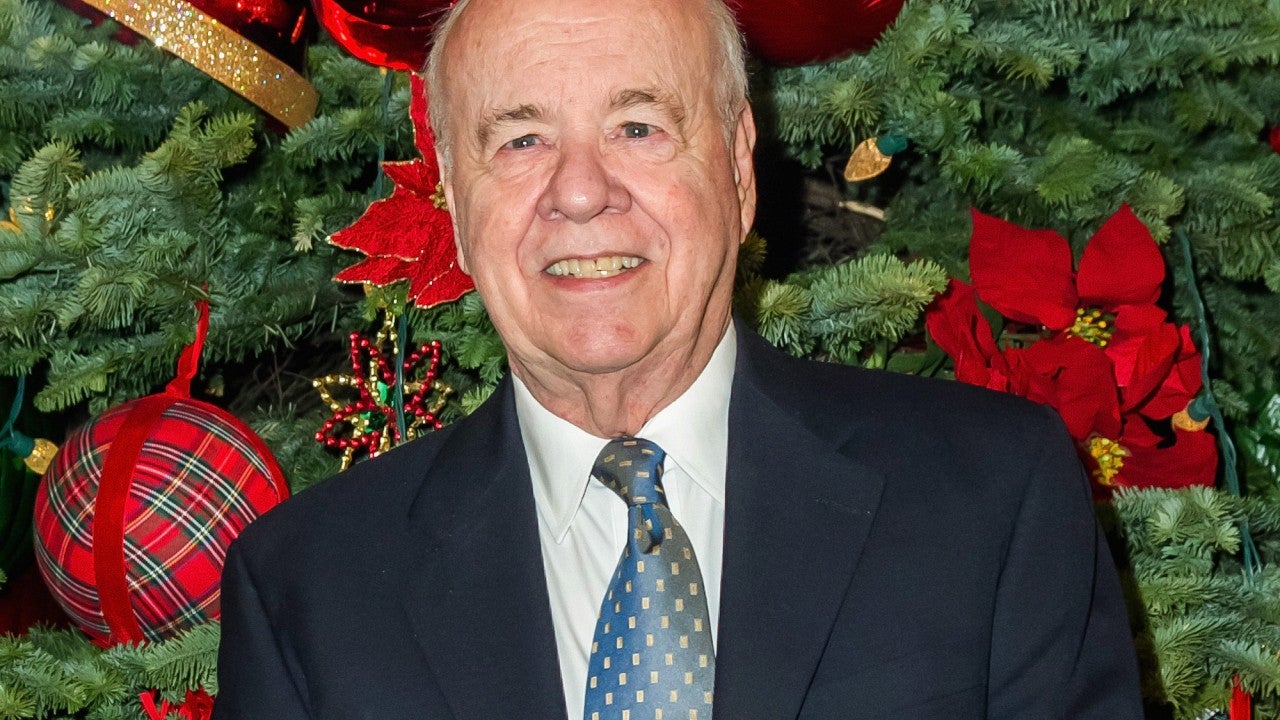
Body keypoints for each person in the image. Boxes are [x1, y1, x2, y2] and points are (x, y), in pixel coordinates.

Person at [213, 0, 1144, 717]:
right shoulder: (306, 590)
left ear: (737, 169)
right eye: (523, 139)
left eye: (638, 127)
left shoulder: (991, 498)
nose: (580, 192)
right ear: (455, 202)